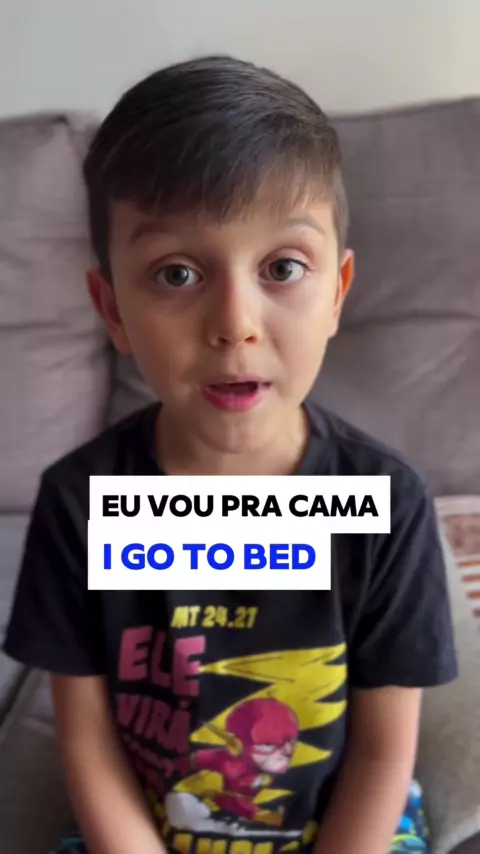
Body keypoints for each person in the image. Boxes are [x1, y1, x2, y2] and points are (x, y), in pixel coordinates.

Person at [3, 56, 457, 854]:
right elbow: (87, 738)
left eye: (283, 268)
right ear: (112, 309)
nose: (235, 324)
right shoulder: (81, 502)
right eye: (177, 273)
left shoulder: (387, 505)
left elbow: (385, 751)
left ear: (337, 292)